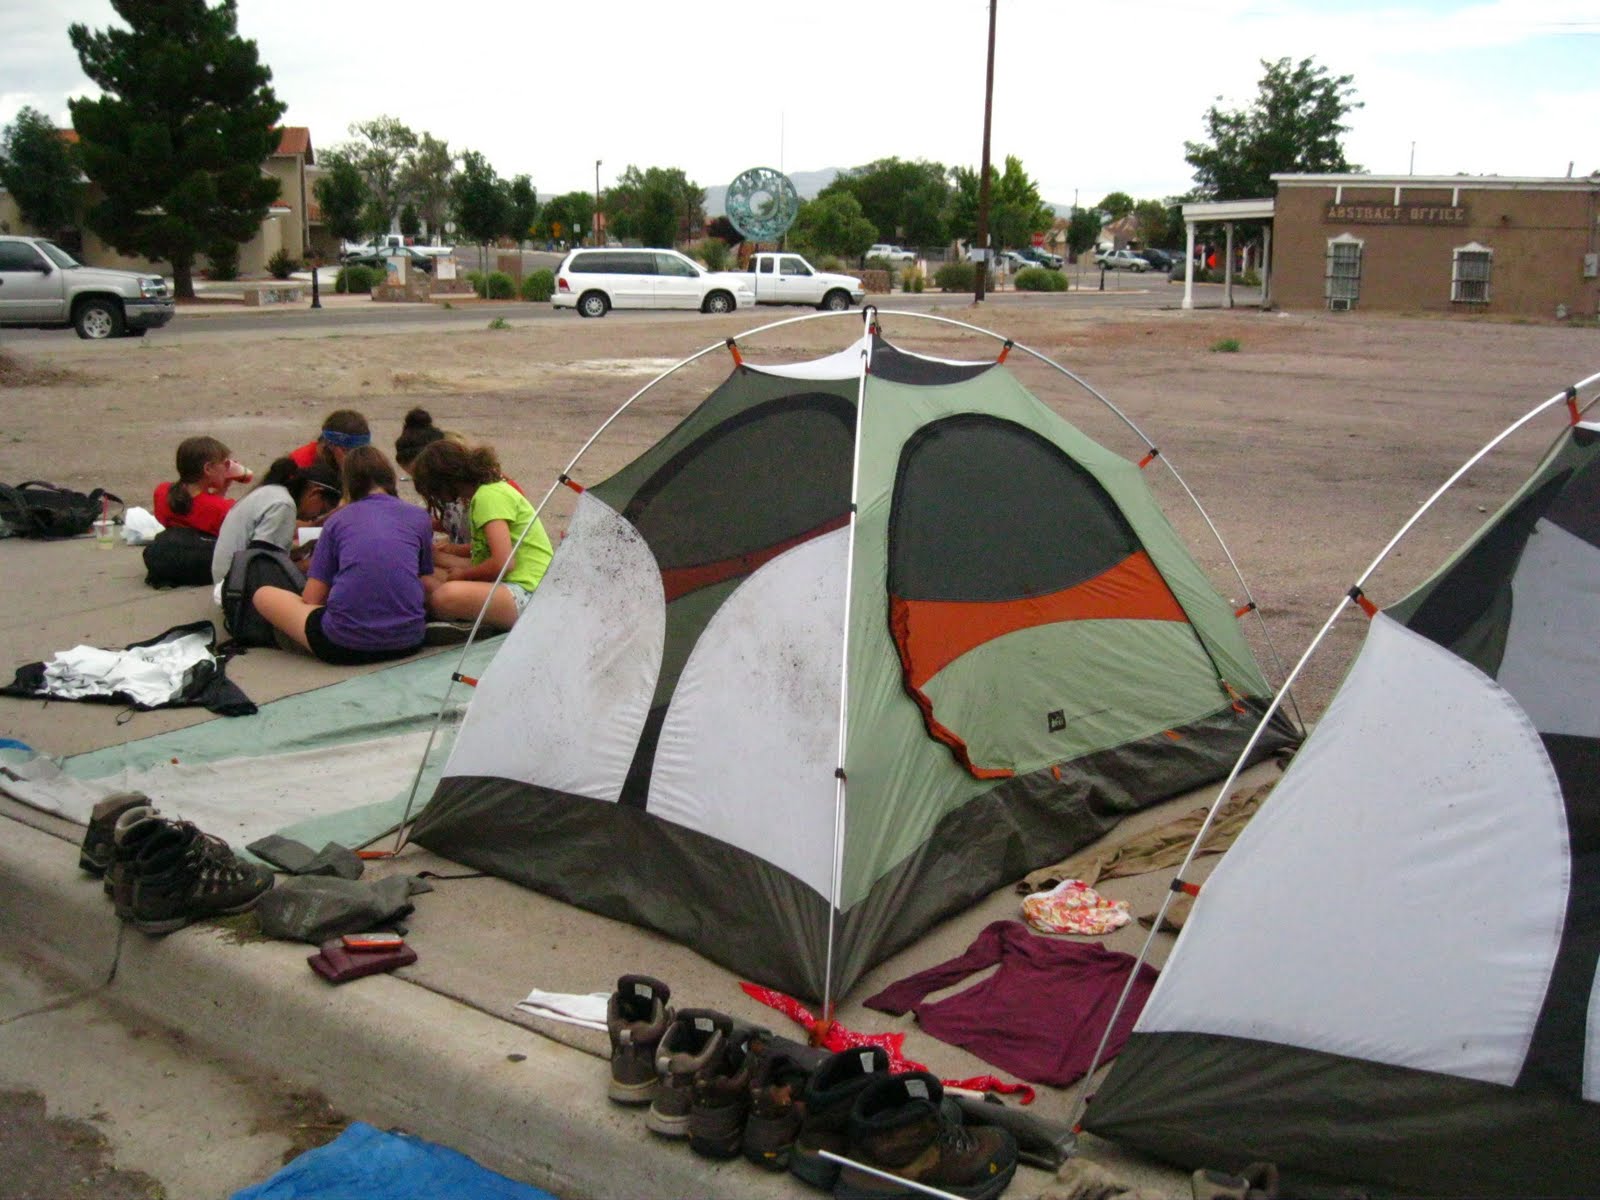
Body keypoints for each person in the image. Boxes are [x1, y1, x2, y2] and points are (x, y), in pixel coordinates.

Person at [251, 446, 434, 665]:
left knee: (263, 595)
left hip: (343, 645)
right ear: (389, 477)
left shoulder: (337, 521)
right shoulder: (419, 517)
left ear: (349, 485)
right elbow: (423, 577)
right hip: (410, 640)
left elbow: (311, 598)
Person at [410, 440, 552, 631]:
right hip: (506, 585)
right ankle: (473, 615)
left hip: (528, 594)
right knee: (426, 581)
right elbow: (483, 557)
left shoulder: (489, 497)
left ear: (443, 482)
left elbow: (504, 563)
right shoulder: (483, 495)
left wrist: (464, 575)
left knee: (443, 597)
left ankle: (474, 621)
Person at [209, 457, 342, 584]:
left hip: (232, 579)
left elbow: (266, 552)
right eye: (322, 510)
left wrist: (302, 550)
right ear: (315, 493)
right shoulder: (283, 505)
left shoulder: (273, 492)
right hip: (237, 588)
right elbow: (264, 568)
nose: (316, 517)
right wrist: (310, 564)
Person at [153, 436, 251, 536]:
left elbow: (201, 505)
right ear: (208, 469)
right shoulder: (225, 509)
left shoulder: (162, 492)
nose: (228, 468)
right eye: (225, 463)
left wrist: (223, 488)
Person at [289, 409, 371, 471]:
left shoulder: (369, 463)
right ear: (330, 444)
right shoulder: (300, 464)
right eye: (347, 451)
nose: (355, 459)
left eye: (361, 452)